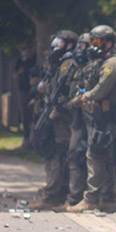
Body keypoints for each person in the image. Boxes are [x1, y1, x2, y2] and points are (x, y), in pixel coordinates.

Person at [72, 25, 116, 212]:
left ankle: (91, 199)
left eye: (97, 42)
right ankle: (107, 197)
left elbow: (101, 89)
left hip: (109, 114)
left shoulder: (113, 63)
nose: (93, 46)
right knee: (104, 155)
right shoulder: (101, 61)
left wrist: (84, 97)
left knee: (95, 154)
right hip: (101, 114)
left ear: (108, 43)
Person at [30, 31, 85, 211]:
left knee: (58, 154)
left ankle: (55, 194)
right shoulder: (56, 64)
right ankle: (54, 191)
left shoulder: (69, 65)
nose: (55, 45)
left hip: (63, 117)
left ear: (70, 44)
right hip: (51, 113)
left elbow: (70, 93)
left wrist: (59, 107)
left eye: (60, 42)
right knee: (49, 151)